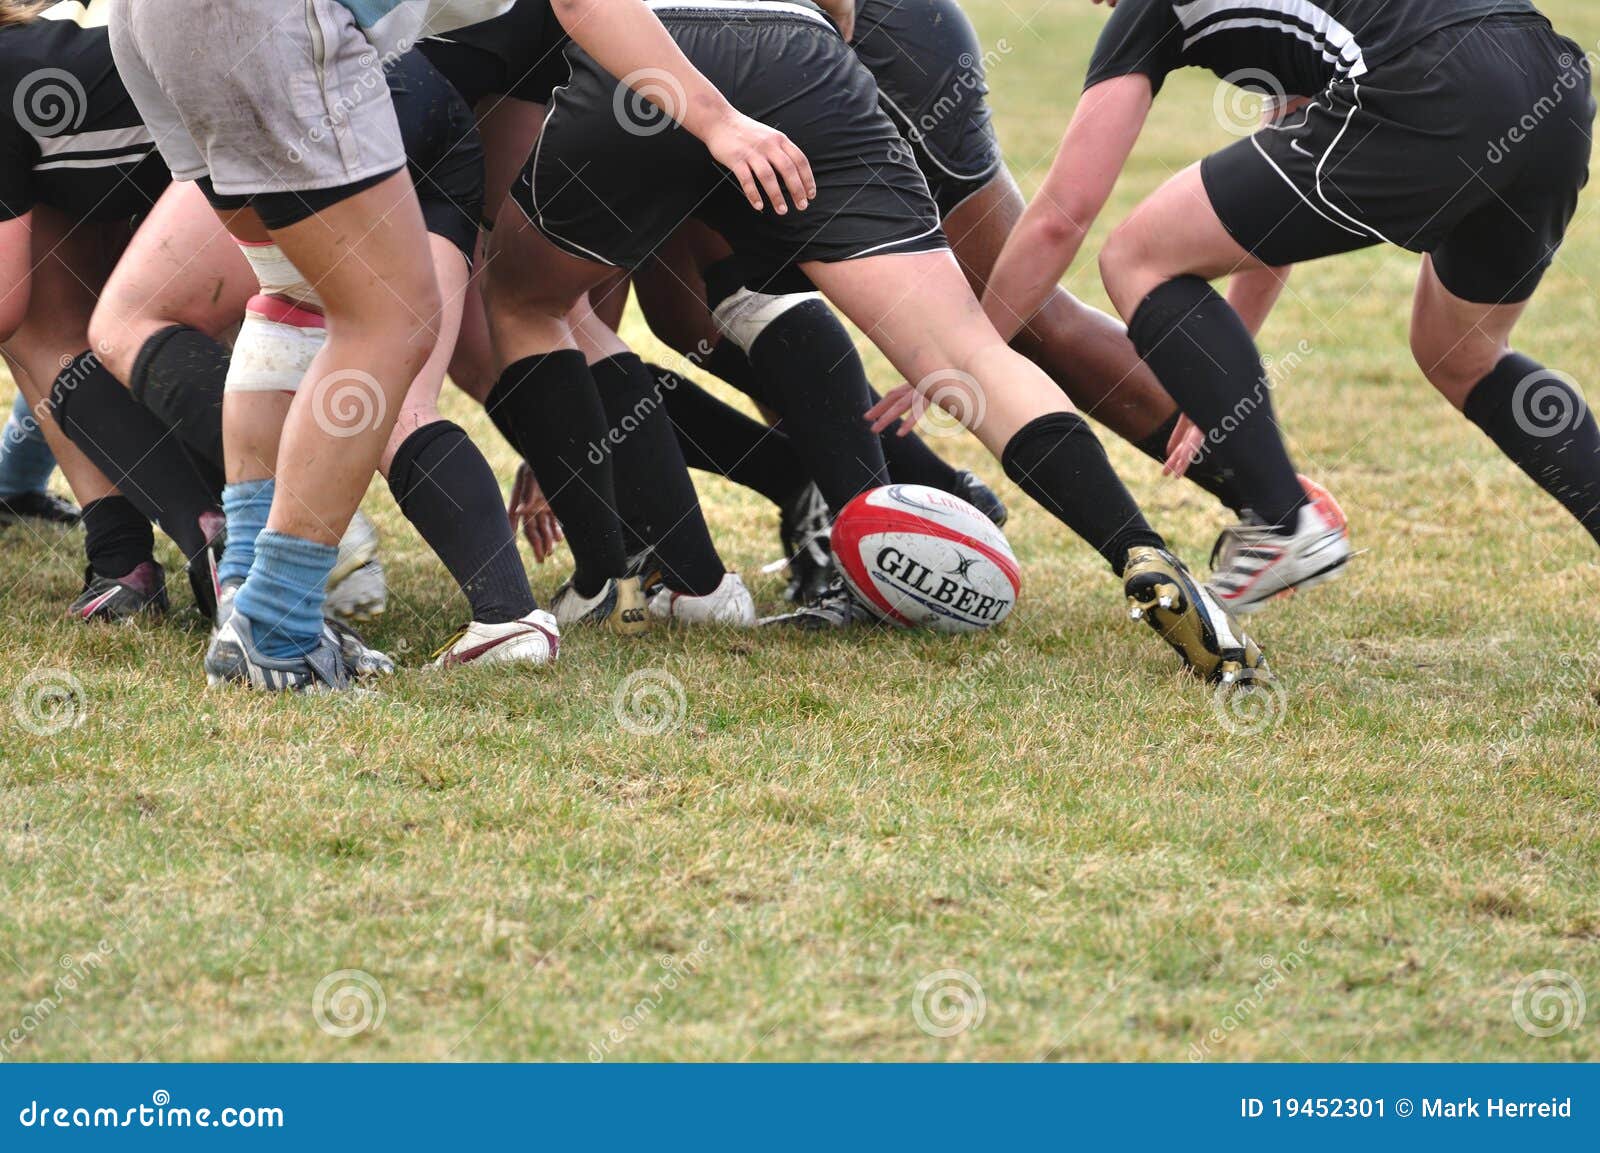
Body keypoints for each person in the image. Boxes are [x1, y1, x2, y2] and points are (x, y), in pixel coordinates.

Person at [485, 0, 1268, 682]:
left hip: (651, 55)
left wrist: (715, 119)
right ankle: (1138, 548)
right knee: (966, 349)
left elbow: (582, 6)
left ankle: (604, 579)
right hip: (804, 50)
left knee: (523, 300)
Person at [107, 0, 814, 689]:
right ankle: (277, 625)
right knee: (386, 317)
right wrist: (720, 121)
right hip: (271, 26)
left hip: (152, 22)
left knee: (290, 294)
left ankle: (248, 602)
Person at [987, 0, 1592, 614]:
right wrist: (1211, 384)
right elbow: (1269, 215)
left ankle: (1284, 523)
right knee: (1464, 355)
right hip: (1550, 85)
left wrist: (967, 357)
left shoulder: (1153, 11)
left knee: (1135, 257)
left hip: (1435, 83)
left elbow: (1062, 217)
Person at [90, 51, 561, 667]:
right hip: (421, 96)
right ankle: (509, 617)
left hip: (306, 84)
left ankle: (286, 547)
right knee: (396, 397)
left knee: (145, 318)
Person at [1, 0, 223, 621]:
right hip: (182, 136)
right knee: (49, 324)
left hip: (252, 132)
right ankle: (126, 557)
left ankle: (230, 534)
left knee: (116, 328)